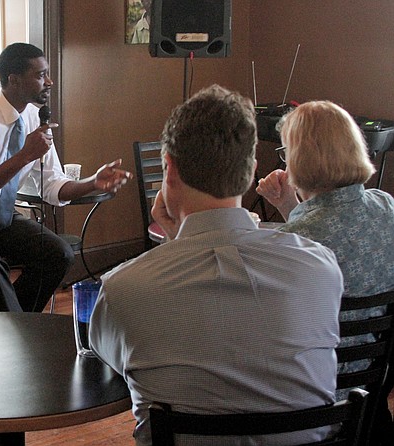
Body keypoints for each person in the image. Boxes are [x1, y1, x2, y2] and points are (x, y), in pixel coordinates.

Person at [89, 85, 344, 445]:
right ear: (252, 170)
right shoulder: (321, 267)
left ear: (169, 167)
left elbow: (115, 363)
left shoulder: (124, 288)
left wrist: (178, 242)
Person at [0, 42, 131, 313]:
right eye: (40, 75)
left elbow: (52, 186)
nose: (49, 81)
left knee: (59, 254)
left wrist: (92, 182)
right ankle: (17, 334)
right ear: (13, 80)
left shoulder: (33, 118)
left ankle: (16, 327)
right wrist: (24, 155)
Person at [256, 100, 394, 444]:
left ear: (298, 160)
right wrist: (291, 206)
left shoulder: (288, 244)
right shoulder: (387, 208)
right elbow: (333, 238)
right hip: (373, 389)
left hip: (311, 400)